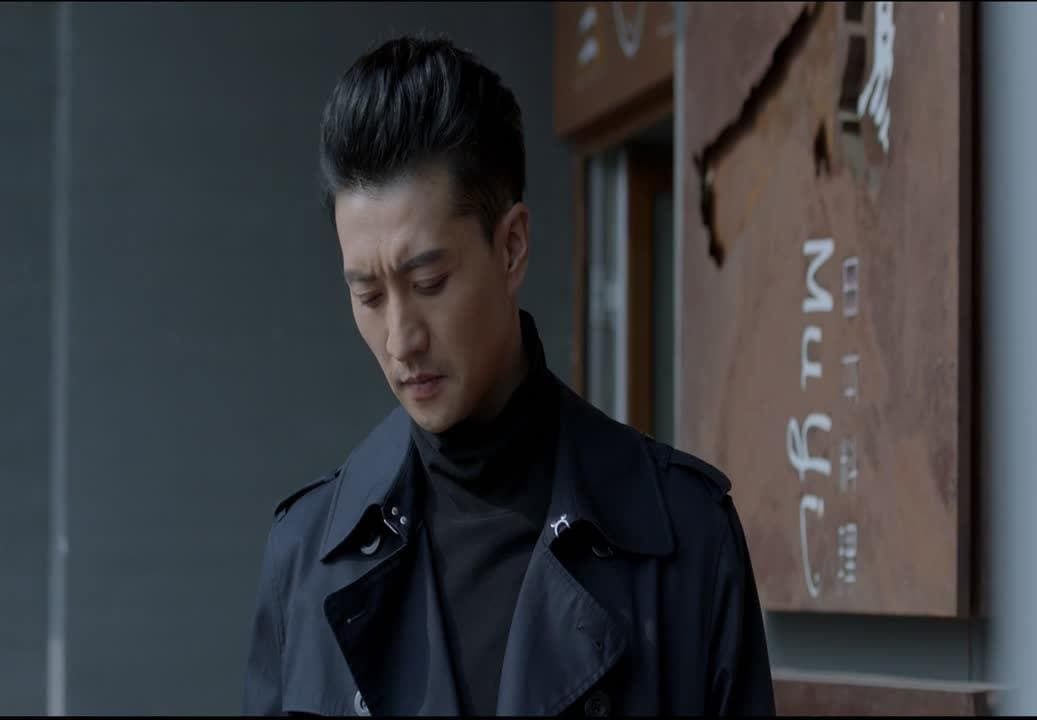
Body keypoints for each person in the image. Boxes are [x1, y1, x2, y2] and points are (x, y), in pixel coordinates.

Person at [240, 34, 775, 717]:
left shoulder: (686, 539)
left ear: (512, 246)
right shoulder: (307, 555)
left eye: (429, 282)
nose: (401, 339)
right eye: (368, 295)